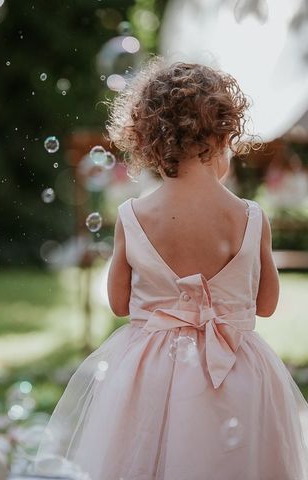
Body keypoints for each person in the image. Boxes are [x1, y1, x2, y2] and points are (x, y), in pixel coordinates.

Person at [35, 60, 308, 479]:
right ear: (223, 134)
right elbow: (267, 305)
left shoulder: (133, 215)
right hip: (235, 368)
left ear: (144, 140)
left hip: (151, 371)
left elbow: (119, 302)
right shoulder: (250, 217)